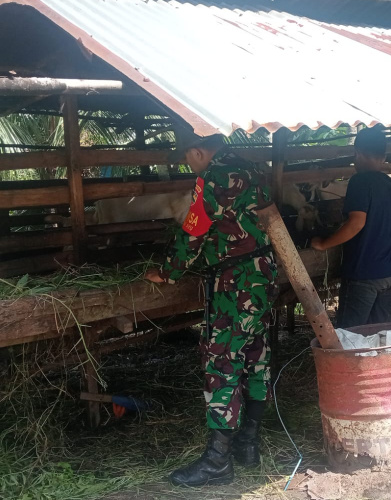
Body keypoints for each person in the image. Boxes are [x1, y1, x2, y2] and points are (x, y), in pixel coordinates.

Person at [145, 129, 277, 487]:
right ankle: (248, 445)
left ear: (198, 151)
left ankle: (218, 461)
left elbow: (193, 232)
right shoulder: (251, 169)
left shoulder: (213, 177)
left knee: (221, 362)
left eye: (188, 158)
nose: (190, 165)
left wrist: (168, 272)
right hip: (262, 277)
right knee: (256, 356)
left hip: (232, 286)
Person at [310, 127, 391, 328]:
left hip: (366, 272)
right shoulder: (389, 184)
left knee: (350, 335)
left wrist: (323, 244)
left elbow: (356, 223)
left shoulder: (360, 181)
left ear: (357, 153)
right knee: (381, 334)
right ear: (384, 156)